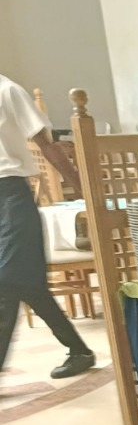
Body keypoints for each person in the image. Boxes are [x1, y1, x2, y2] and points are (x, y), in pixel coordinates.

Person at [0, 74, 95, 380]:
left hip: (12, 196)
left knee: (6, 282)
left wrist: (83, 189)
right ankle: (79, 351)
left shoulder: (8, 91)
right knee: (30, 286)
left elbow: (48, 145)